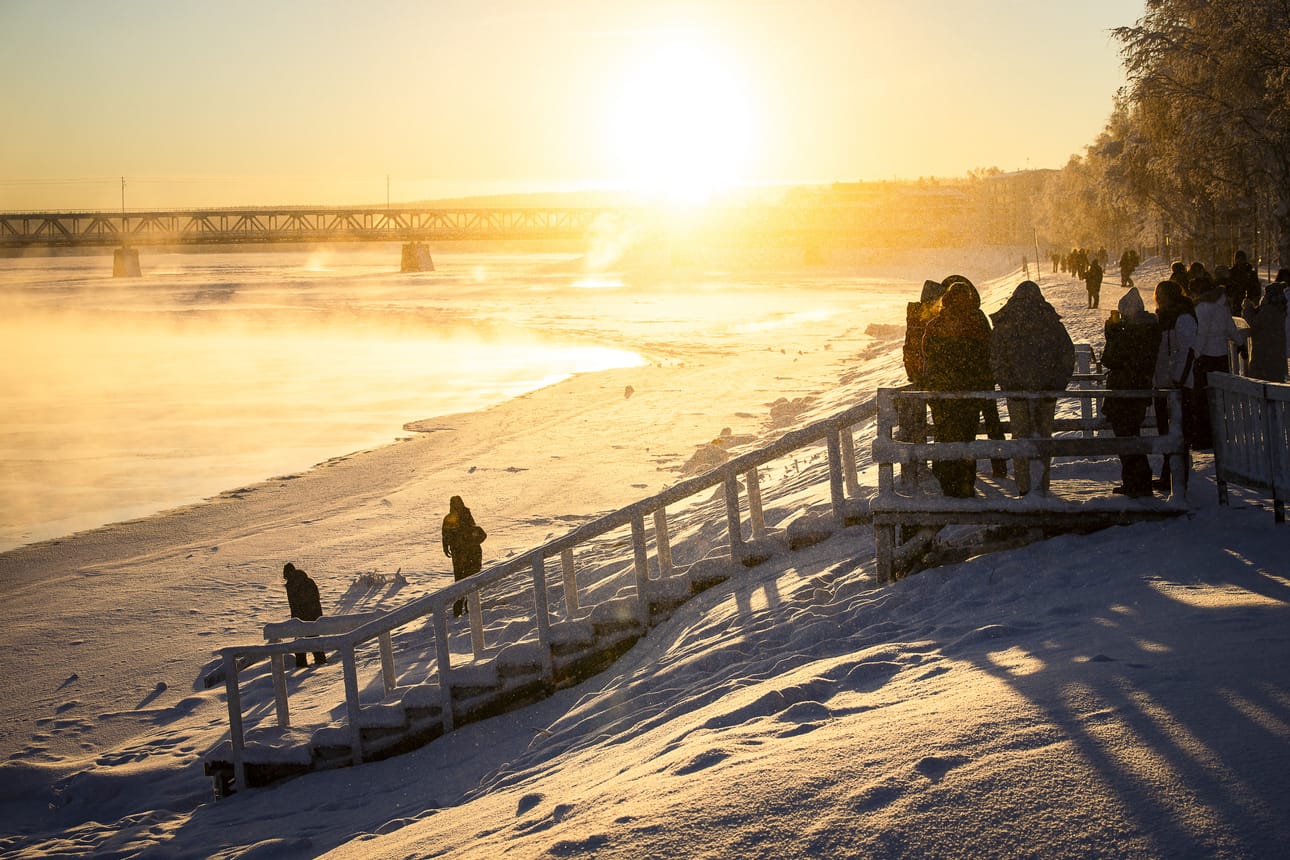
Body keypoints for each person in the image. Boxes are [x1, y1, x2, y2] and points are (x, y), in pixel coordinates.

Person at [988, 280, 1075, 496]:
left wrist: (1009, 384)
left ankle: (1024, 486)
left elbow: (996, 358)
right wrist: (1055, 383)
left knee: (1021, 438)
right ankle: (1040, 485)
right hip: (1044, 392)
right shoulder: (1050, 321)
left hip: (1019, 394)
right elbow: (1066, 354)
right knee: (1043, 437)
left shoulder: (1006, 323)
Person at [921, 280, 994, 498]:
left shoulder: (935, 324)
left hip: (942, 393)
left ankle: (946, 485)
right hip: (969, 393)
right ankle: (965, 485)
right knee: (966, 440)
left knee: (944, 437)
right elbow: (987, 352)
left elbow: (927, 353)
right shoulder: (976, 322)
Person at [1100, 289, 1162, 497]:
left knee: (1127, 437)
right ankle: (1137, 480)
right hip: (1138, 389)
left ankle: (1136, 482)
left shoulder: (1131, 333)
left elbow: (1110, 359)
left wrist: (1112, 333)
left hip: (1124, 390)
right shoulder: (1149, 329)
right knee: (1132, 435)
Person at [1151, 280, 1197, 493]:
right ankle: (1167, 475)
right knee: (1166, 433)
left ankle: (1179, 480)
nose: (1159, 298)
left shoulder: (1183, 317)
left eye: (1162, 294)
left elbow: (1186, 351)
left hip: (1178, 388)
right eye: (1157, 293)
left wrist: (1178, 381)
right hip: (1163, 385)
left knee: (1178, 434)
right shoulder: (1163, 317)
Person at [1190, 276, 1244, 450]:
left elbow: (1201, 333)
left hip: (1206, 357)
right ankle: (1219, 432)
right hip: (1221, 355)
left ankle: (1203, 436)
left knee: (1202, 398)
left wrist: (1195, 354)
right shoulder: (1222, 306)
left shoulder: (1202, 308)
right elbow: (1230, 327)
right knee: (1219, 397)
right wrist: (1240, 342)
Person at [442, 495, 486, 618]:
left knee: (464, 580)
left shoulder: (460, 516)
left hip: (466, 555)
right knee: (466, 580)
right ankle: (463, 606)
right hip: (464, 555)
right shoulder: (453, 517)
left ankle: (465, 606)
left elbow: (447, 535)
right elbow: (445, 535)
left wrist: (449, 546)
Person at [282, 562, 327, 667]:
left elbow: (296, 604)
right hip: (312, 616)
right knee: (313, 639)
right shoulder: (307, 581)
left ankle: (302, 664)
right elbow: (316, 598)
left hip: (301, 617)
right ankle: (320, 661)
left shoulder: (292, 585)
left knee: (301, 642)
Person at [1244, 282, 1287, 382]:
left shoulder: (1269, 310)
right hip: (1275, 356)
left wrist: (1247, 309)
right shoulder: (1280, 309)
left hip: (1264, 355)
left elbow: (1254, 325)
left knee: (1263, 384)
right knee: (1275, 383)